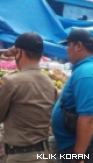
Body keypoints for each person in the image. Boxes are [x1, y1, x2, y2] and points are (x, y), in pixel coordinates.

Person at [0, 32, 57, 163]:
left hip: (20, 157)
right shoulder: (50, 83)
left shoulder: (11, 82)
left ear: (19, 53)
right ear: (40, 55)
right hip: (44, 155)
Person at [52, 29, 93, 163]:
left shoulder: (86, 72)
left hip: (77, 148)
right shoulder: (84, 69)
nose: (66, 50)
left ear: (79, 46)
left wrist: (77, 157)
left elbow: (88, 118)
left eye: (68, 46)